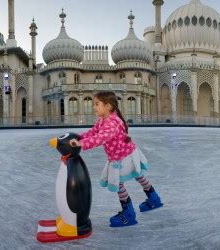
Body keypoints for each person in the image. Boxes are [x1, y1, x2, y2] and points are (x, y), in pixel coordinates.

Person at [69, 91, 163, 227]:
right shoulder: (103, 120)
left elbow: (100, 138)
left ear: (108, 106)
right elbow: (94, 132)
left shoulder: (112, 123)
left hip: (123, 157)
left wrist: (81, 144)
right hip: (125, 153)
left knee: (119, 182)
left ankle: (129, 214)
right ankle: (154, 198)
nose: (93, 107)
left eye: (97, 104)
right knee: (139, 175)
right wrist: (80, 137)